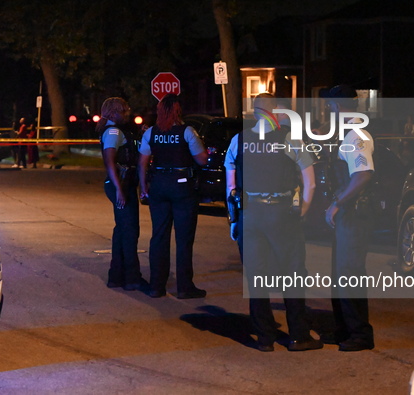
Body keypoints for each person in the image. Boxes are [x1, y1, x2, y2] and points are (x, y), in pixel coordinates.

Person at [224, 93, 322, 352]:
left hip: (250, 214)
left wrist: (234, 218)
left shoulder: (239, 140)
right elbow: (310, 182)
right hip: (281, 213)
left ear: (254, 112)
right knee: (293, 274)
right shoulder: (289, 139)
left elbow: (231, 185)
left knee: (256, 277)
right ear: (275, 111)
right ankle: (299, 336)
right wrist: (303, 211)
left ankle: (264, 337)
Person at [138, 94, 208, 299]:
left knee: (159, 237)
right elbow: (202, 160)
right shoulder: (187, 132)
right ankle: (185, 287)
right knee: (184, 239)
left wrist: (144, 188)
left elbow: (142, 162)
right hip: (182, 187)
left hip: (158, 185)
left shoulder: (151, 132)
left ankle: (156, 286)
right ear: (178, 110)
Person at [322, 84, 375, 352]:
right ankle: (344, 328)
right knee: (339, 274)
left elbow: (363, 175)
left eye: (328, 106)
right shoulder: (347, 133)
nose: (327, 110)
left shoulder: (355, 135)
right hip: (348, 214)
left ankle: (360, 333)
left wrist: (336, 204)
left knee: (350, 273)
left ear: (336, 107)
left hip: (354, 214)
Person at [98, 97, 143, 291]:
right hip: (121, 185)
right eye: (123, 111)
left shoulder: (115, 130)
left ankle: (116, 276)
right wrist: (119, 190)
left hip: (121, 184)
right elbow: (110, 162)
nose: (127, 114)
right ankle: (132, 278)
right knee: (130, 231)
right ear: (112, 112)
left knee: (122, 230)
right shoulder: (114, 132)